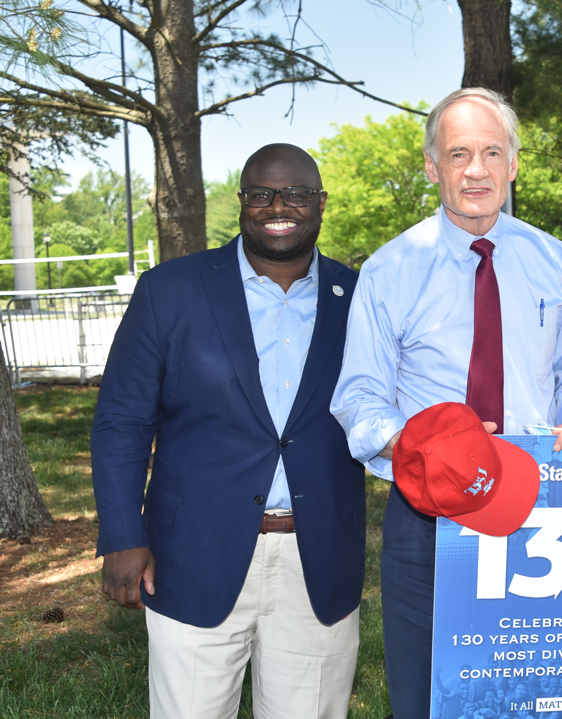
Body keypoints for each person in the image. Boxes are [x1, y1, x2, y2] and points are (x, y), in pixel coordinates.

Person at [330, 87, 562, 718]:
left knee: (538, 698)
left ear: (513, 164)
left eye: (491, 151)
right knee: (432, 698)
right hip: (429, 518)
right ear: (434, 167)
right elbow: (359, 399)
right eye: (459, 154)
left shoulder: (556, 262)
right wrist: (425, 446)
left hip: (540, 507)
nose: (476, 169)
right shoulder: (388, 271)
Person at [91, 144, 366, 717]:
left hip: (318, 560)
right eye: (261, 194)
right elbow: (121, 421)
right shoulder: (169, 291)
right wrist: (121, 534)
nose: (277, 206)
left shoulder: (362, 298)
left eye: (294, 193)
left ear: (320, 203)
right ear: (242, 203)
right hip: (192, 554)